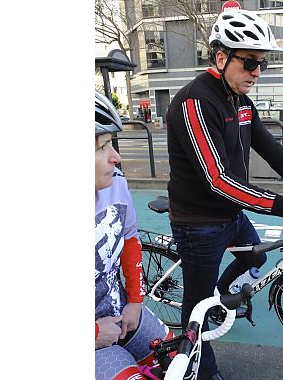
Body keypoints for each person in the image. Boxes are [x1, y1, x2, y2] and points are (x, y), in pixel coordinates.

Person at [165, 9, 283, 380]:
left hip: (232, 214)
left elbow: (267, 145)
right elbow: (218, 180)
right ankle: (202, 371)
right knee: (196, 311)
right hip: (198, 222)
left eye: (262, 64)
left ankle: (223, 295)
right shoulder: (195, 102)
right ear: (221, 57)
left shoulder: (239, 99)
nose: (257, 72)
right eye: (250, 62)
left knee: (252, 259)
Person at [95, 90, 173, 380]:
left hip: (119, 311)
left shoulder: (115, 183)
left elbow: (129, 239)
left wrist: (136, 300)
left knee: (178, 360)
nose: (116, 157)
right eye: (103, 146)